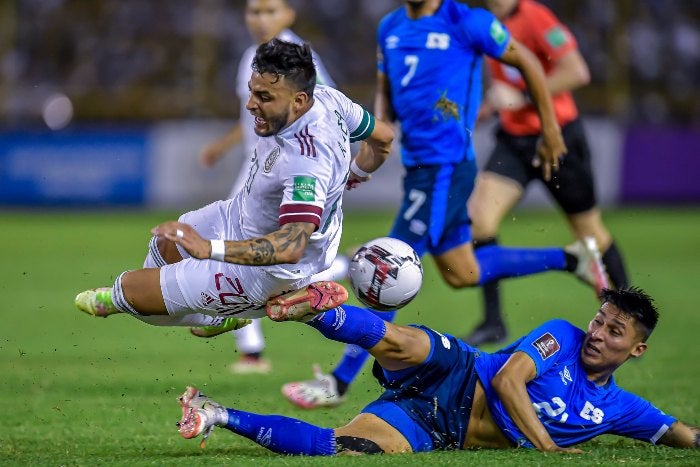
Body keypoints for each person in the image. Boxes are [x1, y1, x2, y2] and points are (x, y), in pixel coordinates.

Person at [280, 0, 609, 410]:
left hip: (446, 166)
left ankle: (338, 381)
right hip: (420, 166)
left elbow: (527, 60)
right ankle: (571, 258)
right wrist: (377, 141)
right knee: (461, 271)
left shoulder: (465, 21)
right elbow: (388, 93)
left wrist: (550, 128)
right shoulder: (391, 26)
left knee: (386, 267)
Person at [74, 39, 394, 337]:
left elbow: (290, 245)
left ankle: (262, 304)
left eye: (264, 98)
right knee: (163, 246)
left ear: (298, 101)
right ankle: (226, 308)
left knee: (128, 293)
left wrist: (209, 249)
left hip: (270, 269)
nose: (251, 105)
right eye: (252, 92)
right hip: (237, 216)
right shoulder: (329, 98)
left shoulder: (305, 161)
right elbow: (383, 139)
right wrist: (355, 171)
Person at [176, 286, 699, 455]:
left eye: (614, 332)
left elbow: (678, 432)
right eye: (600, 320)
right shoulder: (561, 336)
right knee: (399, 340)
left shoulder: (621, 409)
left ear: (636, 351)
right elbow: (508, 378)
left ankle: (215, 413)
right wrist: (550, 450)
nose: (598, 334)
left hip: (436, 428)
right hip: (464, 372)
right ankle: (313, 307)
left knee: (341, 448)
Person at [462, 0, 629, 347]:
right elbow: (505, 79)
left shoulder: (535, 17)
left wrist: (521, 96)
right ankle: (494, 322)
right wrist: (492, 105)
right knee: (479, 221)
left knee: (591, 235)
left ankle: (627, 319)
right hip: (514, 141)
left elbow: (576, 71)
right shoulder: (483, 20)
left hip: (558, 138)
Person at [198, 0, 339, 375]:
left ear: (290, 14)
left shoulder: (299, 62)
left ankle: (245, 337)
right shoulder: (252, 56)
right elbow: (255, 114)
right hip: (259, 163)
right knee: (275, 249)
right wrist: (222, 145)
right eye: (254, 11)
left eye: (270, 11)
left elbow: (327, 106)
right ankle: (339, 273)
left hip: (286, 167)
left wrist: (326, 166)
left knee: (234, 242)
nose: (260, 20)